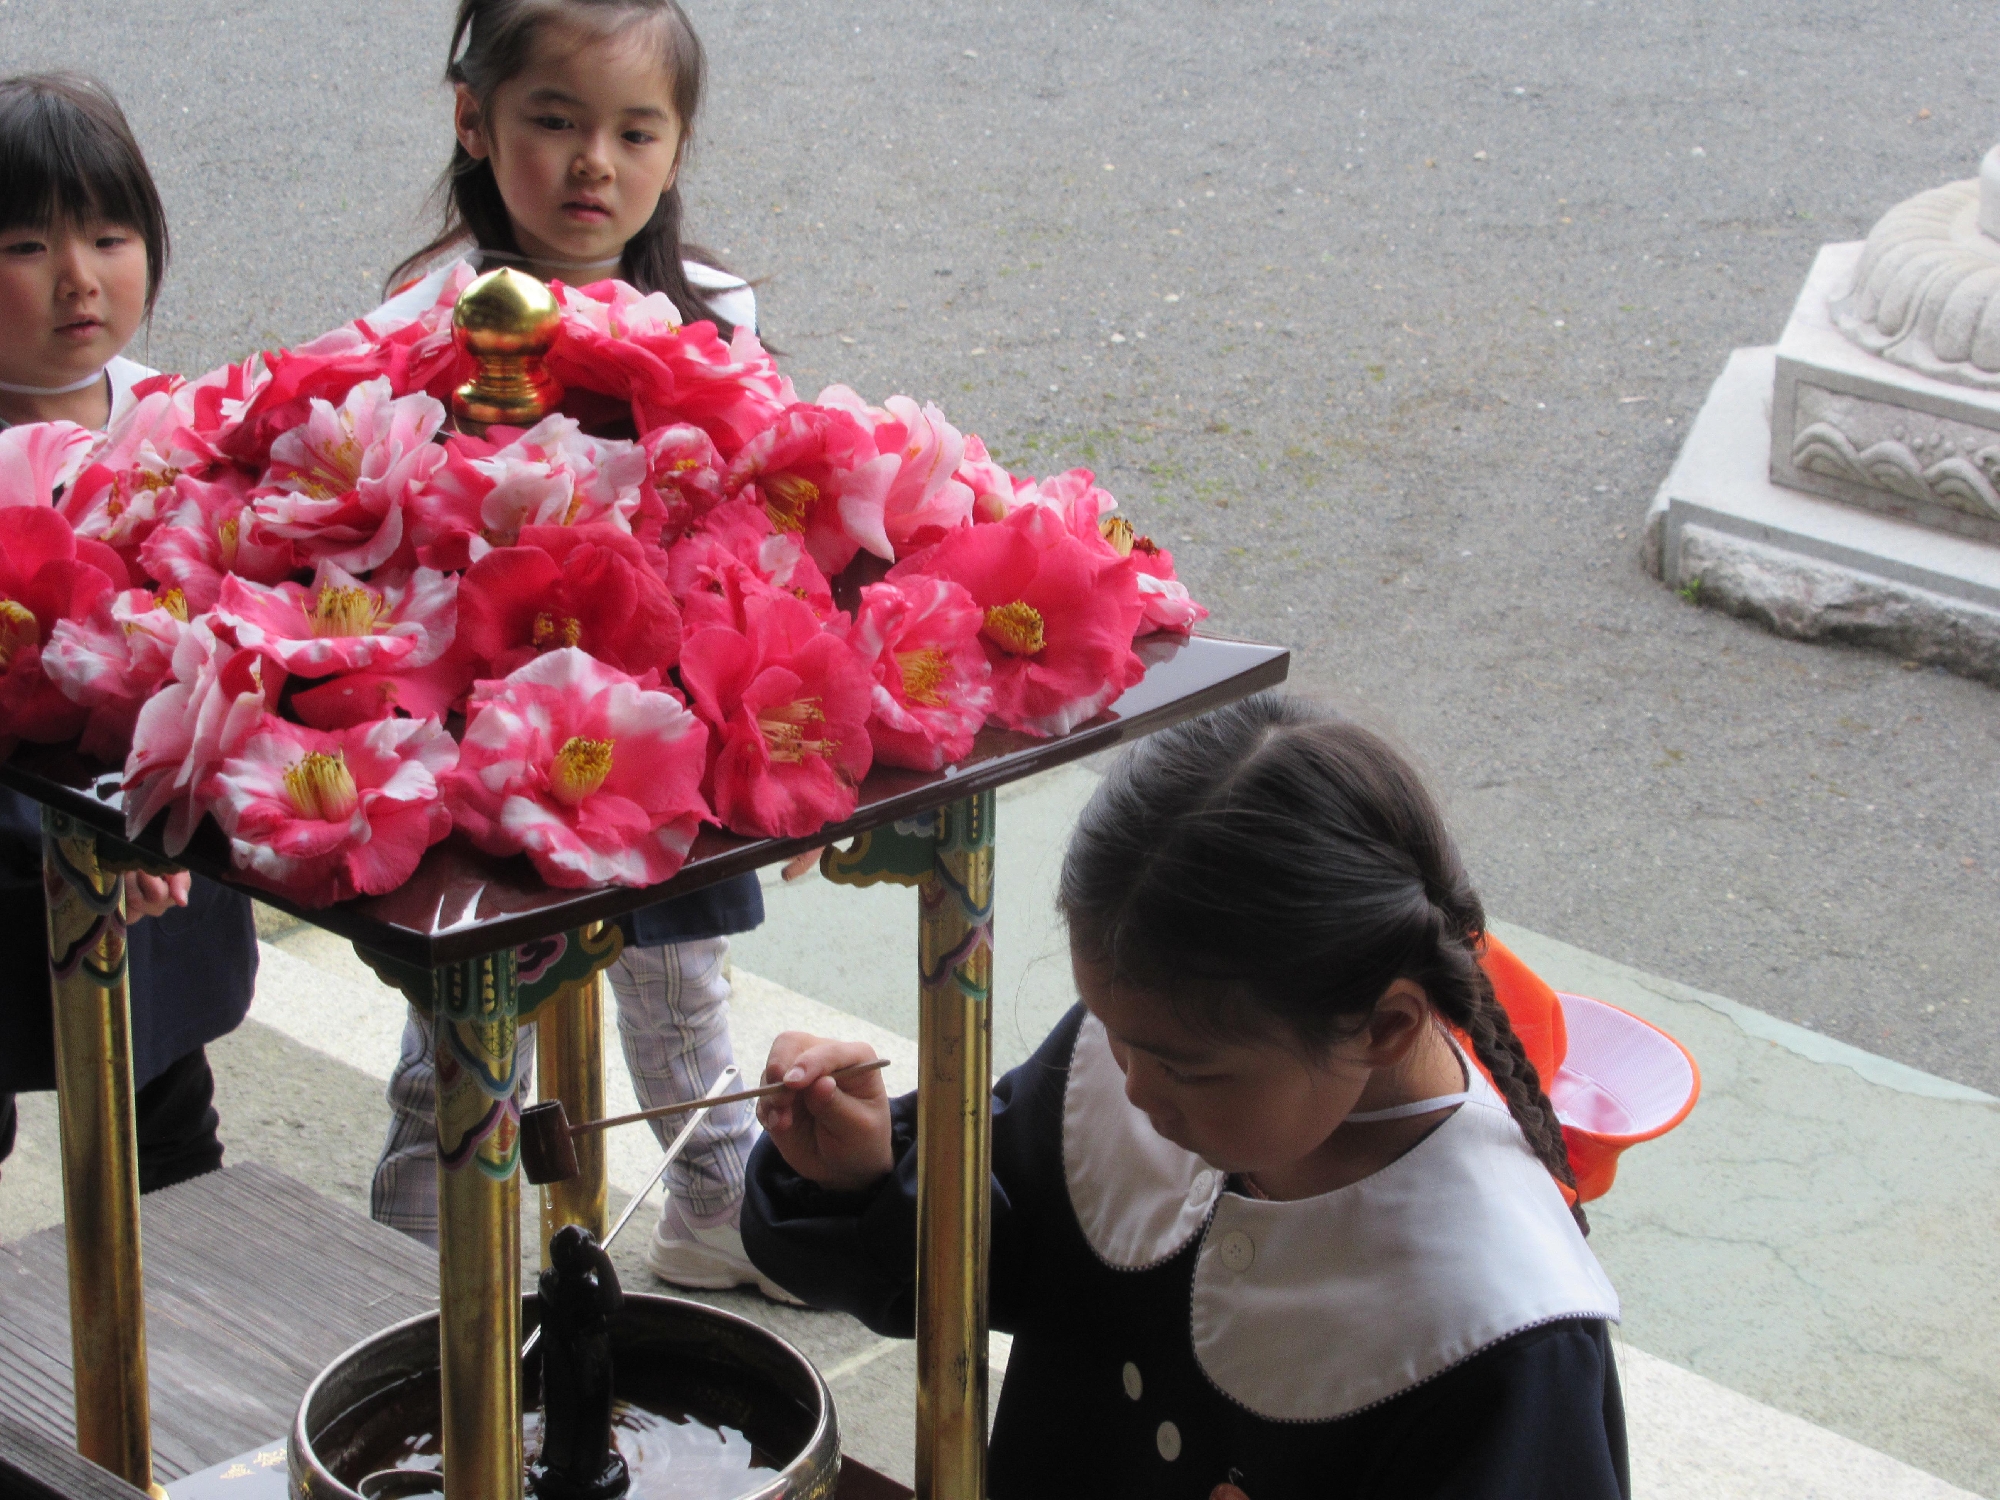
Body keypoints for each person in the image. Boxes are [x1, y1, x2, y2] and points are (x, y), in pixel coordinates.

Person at [743, 696, 1631, 1499]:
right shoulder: (1156, 1044)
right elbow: (982, 1257)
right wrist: (867, 1175)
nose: (1133, 1090)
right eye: (1114, 1035)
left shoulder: (1502, 1331)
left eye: (1184, 1070)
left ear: (1386, 1028)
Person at [365, 0, 790, 1303]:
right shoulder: (433, 315)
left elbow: (764, 505)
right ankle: (419, 1220)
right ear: (473, 122)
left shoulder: (711, 308)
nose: (592, 160)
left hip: (661, 718)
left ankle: (714, 1193)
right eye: (553, 121)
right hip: (488, 720)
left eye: (633, 130)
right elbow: (385, 506)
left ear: (677, 146)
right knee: (470, 986)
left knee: (677, 972)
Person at [0, 72, 258, 1193]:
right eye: (24, 246)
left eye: (110, 237)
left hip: (157, 833)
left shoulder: (174, 416)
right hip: (17, 835)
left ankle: (169, 1336)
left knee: (164, 1101)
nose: (78, 280)